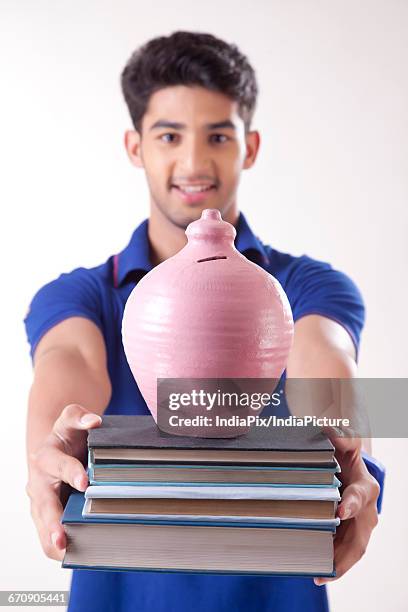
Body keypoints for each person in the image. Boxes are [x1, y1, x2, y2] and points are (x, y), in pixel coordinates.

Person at [24, 31, 381, 612]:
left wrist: (349, 447)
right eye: (169, 135)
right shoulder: (79, 297)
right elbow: (68, 369)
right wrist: (48, 452)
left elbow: (327, 369)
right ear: (135, 146)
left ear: (251, 146)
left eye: (218, 135)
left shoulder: (310, 287)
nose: (193, 163)